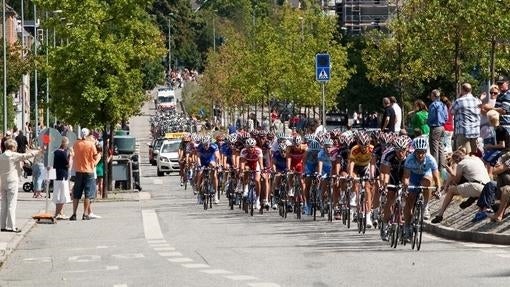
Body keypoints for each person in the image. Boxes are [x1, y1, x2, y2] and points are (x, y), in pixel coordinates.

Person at [431, 148, 490, 224]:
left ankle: (440, 215)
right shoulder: (477, 158)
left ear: (457, 160)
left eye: (455, 162)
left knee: (451, 190)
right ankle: (471, 199)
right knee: (470, 183)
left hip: (477, 186)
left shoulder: (461, 164)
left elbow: (456, 181)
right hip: (488, 187)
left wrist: (450, 172)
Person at [402, 137, 441, 241]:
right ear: (414, 151)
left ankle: (425, 205)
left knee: (427, 182)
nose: (420, 155)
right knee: (409, 201)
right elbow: (406, 177)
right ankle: (406, 225)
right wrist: (406, 186)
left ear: (425, 151)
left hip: (425, 174)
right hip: (413, 176)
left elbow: (436, 177)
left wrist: (438, 189)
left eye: (422, 152)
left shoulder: (430, 159)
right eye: (418, 152)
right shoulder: (409, 159)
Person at [0, 139, 41, 232]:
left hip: (3, 182)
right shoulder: (13, 155)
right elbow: (26, 155)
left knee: (3, 204)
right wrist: (38, 151)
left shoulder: (1, 156)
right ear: (13, 147)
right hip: (12, 181)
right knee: (11, 204)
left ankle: (2, 225)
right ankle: (11, 226)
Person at [69, 128, 100, 221]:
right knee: (88, 193)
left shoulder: (76, 144)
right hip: (89, 170)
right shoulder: (90, 145)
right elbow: (95, 156)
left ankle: (74, 214)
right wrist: (98, 158)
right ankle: (85, 214)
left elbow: (73, 153)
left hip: (78, 170)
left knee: (76, 194)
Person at [451, 83, 481, 153]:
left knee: (463, 154)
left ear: (462, 90)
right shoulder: (478, 101)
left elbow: (451, 111)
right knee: (474, 154)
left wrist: (458, 97)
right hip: (475, 131)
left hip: (463, 131)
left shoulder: (459, 101)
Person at [428, 89, 448, 169]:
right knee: (441, 147)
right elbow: (446, 117)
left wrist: (428, 121)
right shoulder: (443, 105)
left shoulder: (433, 105)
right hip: (442, 127)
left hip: (435, 127)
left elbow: (431, 117)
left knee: (434, 149)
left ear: (433, 95)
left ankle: (434, 168)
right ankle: (442, 168)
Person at [53, 137, 72, 220]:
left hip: (56, 174)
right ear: (64, 143)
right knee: (62, 194)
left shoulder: (55, 152)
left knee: (58, 193)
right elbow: (68, 165)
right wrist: (71, 156)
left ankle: (60, 212)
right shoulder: (63, 153)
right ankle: (58, 213)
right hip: (63, 175)